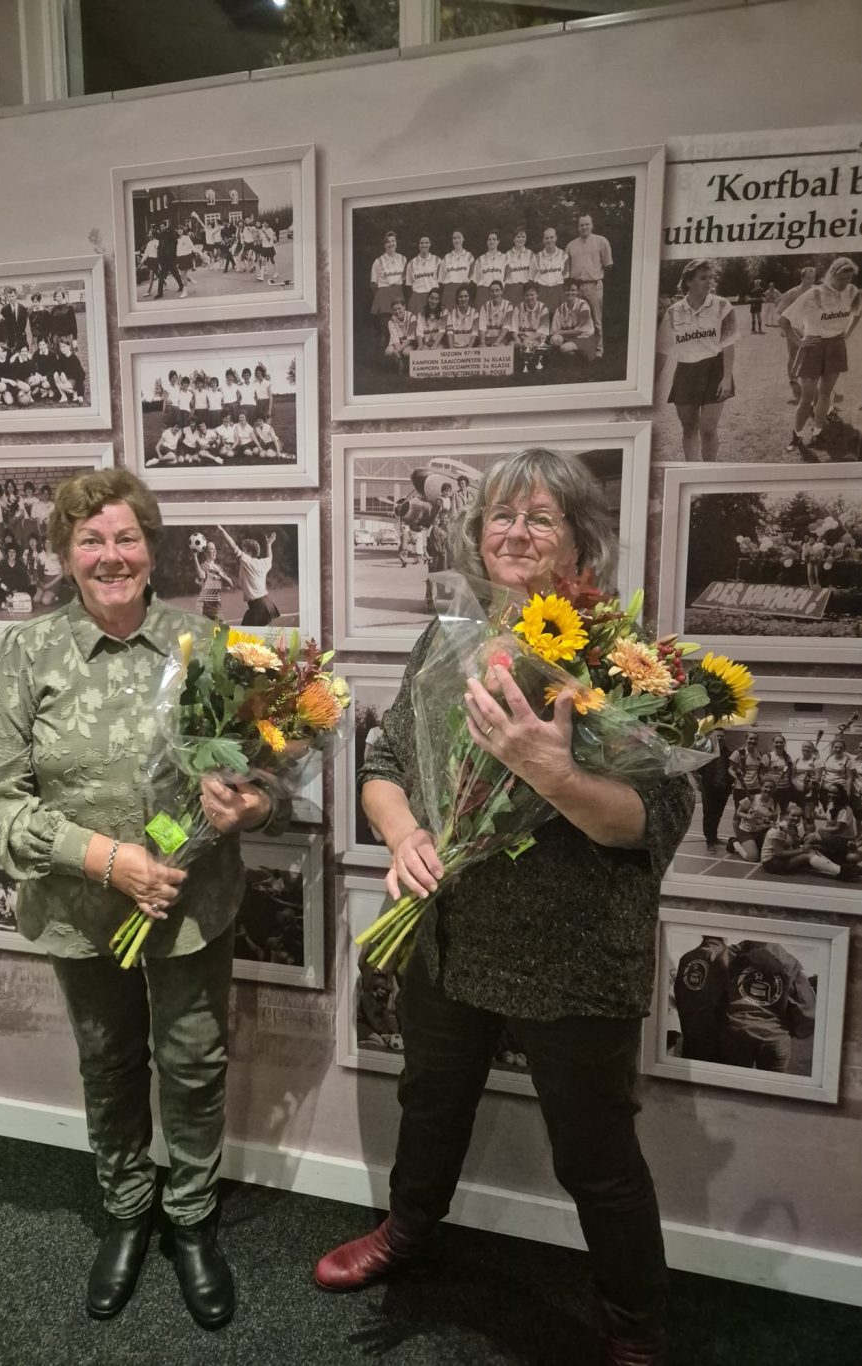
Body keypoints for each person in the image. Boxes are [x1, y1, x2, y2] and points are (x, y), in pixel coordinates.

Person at [313, 447, 695, 1366]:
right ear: (474, 534)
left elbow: (656, 819)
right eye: (499, 515)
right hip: (450, 934)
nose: (515, 533)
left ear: (579, 542)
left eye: (540, 517)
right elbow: (384, 763)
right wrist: (405, 834)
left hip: (574, 951)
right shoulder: (447, 641)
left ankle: (634, 1326)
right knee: (428, 1102)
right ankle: (409, 1231)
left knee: (594, 1155)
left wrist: (553, 773)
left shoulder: (620, 662)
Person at [0, 467, 286, 1330]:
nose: (111, 556)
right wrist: (108, 861)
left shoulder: (205, 645)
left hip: (190, 903)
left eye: (126, 538)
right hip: (82, 908)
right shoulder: (27, 651)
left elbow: (267, 778)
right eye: (90, 540)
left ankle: (191, 1219)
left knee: (193, 1062)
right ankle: (126, 1209)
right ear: (65, 554)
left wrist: (250, 805)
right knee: (108, 1064)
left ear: (151, 548)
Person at [655, 259, 737, 462]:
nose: (709, 282)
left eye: (711, 277)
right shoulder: (673, 312)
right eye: (703, 278)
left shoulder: (722, 306)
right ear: (688, 282)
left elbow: (728, 344)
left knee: (708, 428)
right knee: (689, 427)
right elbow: (662, 351)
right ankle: (692, 470)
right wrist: (651, 383)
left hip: (714, 370)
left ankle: (709, 470)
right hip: (686, 373)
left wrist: (727, 378)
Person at [780, 257, 861, 456]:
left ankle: (817, 433)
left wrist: (848, 332)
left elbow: (857, 313)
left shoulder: (852, 291)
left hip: (836, 346)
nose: (844, 283)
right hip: (814, 345)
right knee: (807, 398)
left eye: (848, 279)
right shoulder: (814, 293)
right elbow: (784, 320)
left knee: (825, 395)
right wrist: (800, 342)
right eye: (841, 279)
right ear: (832, 274)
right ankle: (797, 435)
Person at [719, 941, 816, 1072]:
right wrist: (790, 1030)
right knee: (771, 1084)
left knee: (735, 1082)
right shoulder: (790, 962)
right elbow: (806, 1011)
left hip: (737, 1033)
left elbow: (713, 991)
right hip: (775, 1037)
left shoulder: (728, 956)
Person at [673, 936, 729, 1062]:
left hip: (689, 1029)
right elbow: (727, 997)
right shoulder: (724, 959)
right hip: (714, 1035)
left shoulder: (686, 957)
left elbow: (678, 993)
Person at [565, 214, 613, 360]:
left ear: (592, 225)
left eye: (587, 224)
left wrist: (598, 280)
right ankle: (578, 348)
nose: (584, 227)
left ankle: (598, 350)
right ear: (578, 227)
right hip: (576, 288)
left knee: (596, 320)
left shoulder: (601, 241)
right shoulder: (570, 245)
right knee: (576, 319)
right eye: (581, 225)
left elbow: (608, 265)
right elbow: (566, 269)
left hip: (594, 285)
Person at [215, 524, 277, 627]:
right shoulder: (263, 563)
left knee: (246, 633)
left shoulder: (248, 561)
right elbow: (269, 558)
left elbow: (233, 547)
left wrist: (222, 531)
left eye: (243, 549)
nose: (241, 551)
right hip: (264, 603)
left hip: (258, 606)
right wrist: (269, 544)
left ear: (250, 552)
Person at [775, 265, 818, 403]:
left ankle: (809, 382)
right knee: (794, 355)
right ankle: (793, 379)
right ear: (802, 278)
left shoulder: (817, 291)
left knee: (812, 355)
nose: (811, 281)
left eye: (813, 278)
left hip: (812, 329)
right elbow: (780, 312)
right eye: (808, 278)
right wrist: (783, 329)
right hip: (794, 329)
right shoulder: (792, 293)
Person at [550, 281, 597, 361]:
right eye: (567, 290)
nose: (570, 293)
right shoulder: (560, 309)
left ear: (577, 291)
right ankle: (568, 357)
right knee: (554, 339)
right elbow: (554, 331)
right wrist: (558, 334)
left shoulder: (583, 306)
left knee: (564, 348)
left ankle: (579, 357)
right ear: (564, 292)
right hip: (567, 337)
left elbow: (579, 331)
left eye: (573, 290)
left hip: (584, 338)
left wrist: (561, 332)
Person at [193, 540, 233, 620]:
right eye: (211, 549)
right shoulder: (203, 567)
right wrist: (195, 557)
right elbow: (201, 575)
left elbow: (230, 583)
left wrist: (218, 573)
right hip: (207, 610)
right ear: (205, 552)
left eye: (215, 549)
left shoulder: (218, 568)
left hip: (216, 609)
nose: (214, 551)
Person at [533, 226, 569, 315]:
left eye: (551, 237)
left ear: (556, 238)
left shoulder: (564, 255)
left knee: (558, 319)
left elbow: (566, 277)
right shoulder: (536, 257)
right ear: (543, 240)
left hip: (558, 292)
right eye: (547, 238)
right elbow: (532, 278)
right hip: (542, 293)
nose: (549, 240)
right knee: (543, 319)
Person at [404, 235, 441, 315]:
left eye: (426, 243)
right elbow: (409, 285)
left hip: (433, 297)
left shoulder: (437, 260)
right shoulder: (411, 263)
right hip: (418, 298)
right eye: (421, 243)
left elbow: (441, 281)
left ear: (430, 244)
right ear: (418, 244)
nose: (424, 245)